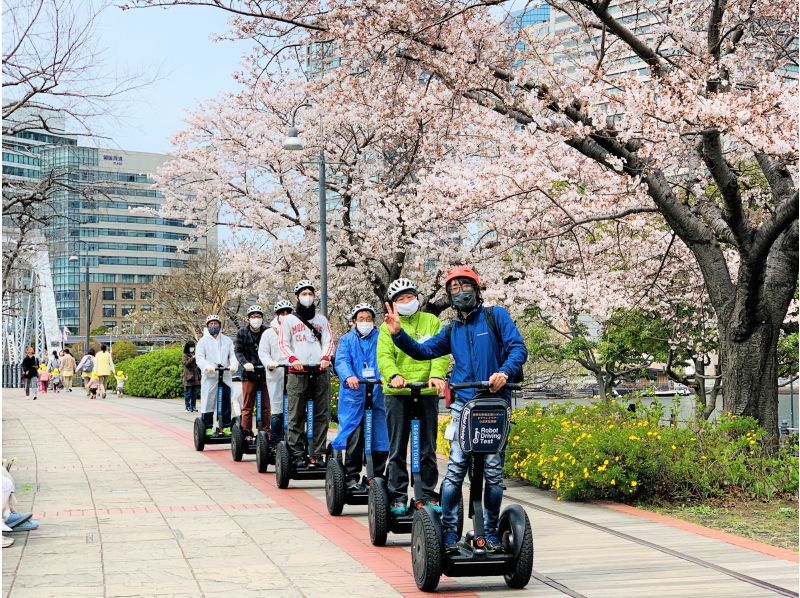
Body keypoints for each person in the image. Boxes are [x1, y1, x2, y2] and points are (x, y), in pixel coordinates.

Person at [384, 266, 528, 554]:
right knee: (455, 470)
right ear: (449, 295)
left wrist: (504, 371)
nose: (460, 291)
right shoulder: (452, 330)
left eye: (465, 286)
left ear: (476, 289)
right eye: (454, 288)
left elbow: (517, 348)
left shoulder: (495, 316)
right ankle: (449, 532)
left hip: (493, 403)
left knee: (493, 471)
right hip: (463, 404)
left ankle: (489, 533)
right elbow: (424, 352)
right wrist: (398, 334)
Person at [377, 278, 449, 516]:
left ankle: (427, 493)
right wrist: (394, 374)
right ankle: (397, 495)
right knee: (397, 447)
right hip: (398, 393)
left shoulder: (432, 321)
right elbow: (384, 356)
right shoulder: (387, 326)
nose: (407, 302)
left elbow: (439, 353)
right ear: (394, 304)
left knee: (427, 447)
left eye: (410, 297)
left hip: (426, 392)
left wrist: (437, 375)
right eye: (401, 299)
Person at [276, 279, 335, 468]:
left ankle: (317, 454)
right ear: (297, 297)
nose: (307, 297)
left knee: (321, 415)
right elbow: (283, 344)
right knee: (295, 415)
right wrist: (293, 359)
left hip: (319, 371)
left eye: (310, 294)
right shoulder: (289, 320)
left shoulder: (321, 320)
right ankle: (297, 454)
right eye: (304, 294)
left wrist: (326, 357)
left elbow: (328, 341)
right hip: (297, 372)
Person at [333, 303, 389, 490]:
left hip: (377, 393)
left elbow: (386, 358)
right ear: (354, 321)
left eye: (368, 319)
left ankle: (377, 476)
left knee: (380, 435)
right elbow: (341, 360)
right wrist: (348, 375)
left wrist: (385, 376)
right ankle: (351, 476)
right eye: (361, 319)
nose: (365, 322)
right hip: (354, 395)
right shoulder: (347, 339)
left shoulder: (382, 337)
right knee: (355, 435)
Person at [195, 315, 238, 436]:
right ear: (207, 326)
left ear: (220, 325)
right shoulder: (202, 341)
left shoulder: (227, 340)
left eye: (216, 324)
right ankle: (207, 427)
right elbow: (199, 358)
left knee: (226, 400)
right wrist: (206, 366)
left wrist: (234, 365)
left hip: (225, 374)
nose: (213, 326)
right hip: (210, 375)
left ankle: (226, 427)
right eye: (211, 324)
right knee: (209, 401)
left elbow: (233, 355)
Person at [234, 305, 271, 444]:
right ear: (248, 319)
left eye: (258, 316)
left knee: (266, 406)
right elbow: (238, 351)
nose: (256, 319)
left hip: (266, 373)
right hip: (249, 374)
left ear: (262, 318)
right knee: (247, 406)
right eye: (253, 316)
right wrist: (245, 363)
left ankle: (266, 431)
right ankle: (246, 433)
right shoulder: (242, 332)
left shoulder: (268, 332)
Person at [258, 299, 293, 444]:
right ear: (277, 316)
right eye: (282, 313)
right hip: (275, 373)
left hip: (293, 373)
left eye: (288, 313)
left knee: (294, 409)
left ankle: (294, 441)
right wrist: (269, 363)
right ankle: (276, 442)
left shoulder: (296, 331)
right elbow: (263, 352)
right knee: (277, 408)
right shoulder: (268, 333)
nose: (285, 316)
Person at [182, 340, 201, 413]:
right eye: (191, 347)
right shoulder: (185, 355)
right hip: (188, 377)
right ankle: (187, 406)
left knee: (194, 393)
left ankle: (193, 406)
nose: (192, 348)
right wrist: (192, 358)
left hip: (195, 377)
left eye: (193, 347)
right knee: (188, 393)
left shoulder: (194, 354)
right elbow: (186, 363)